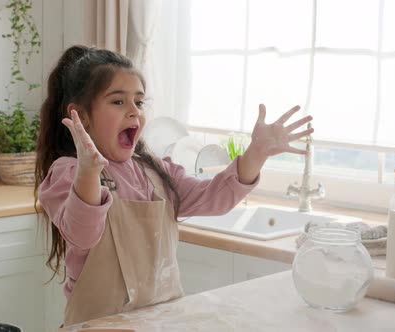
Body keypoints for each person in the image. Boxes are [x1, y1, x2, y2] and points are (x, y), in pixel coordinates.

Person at [35, 45, 314, 326]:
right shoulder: (68, 172)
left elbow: (213, 198)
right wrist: (88, 172)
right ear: (80, 117)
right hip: (98, 326)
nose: (134, 111)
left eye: (139, 102)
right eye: (118, 102)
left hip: (161, 322)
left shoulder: (154, 171)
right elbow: (82, 235)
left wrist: (256, 153)